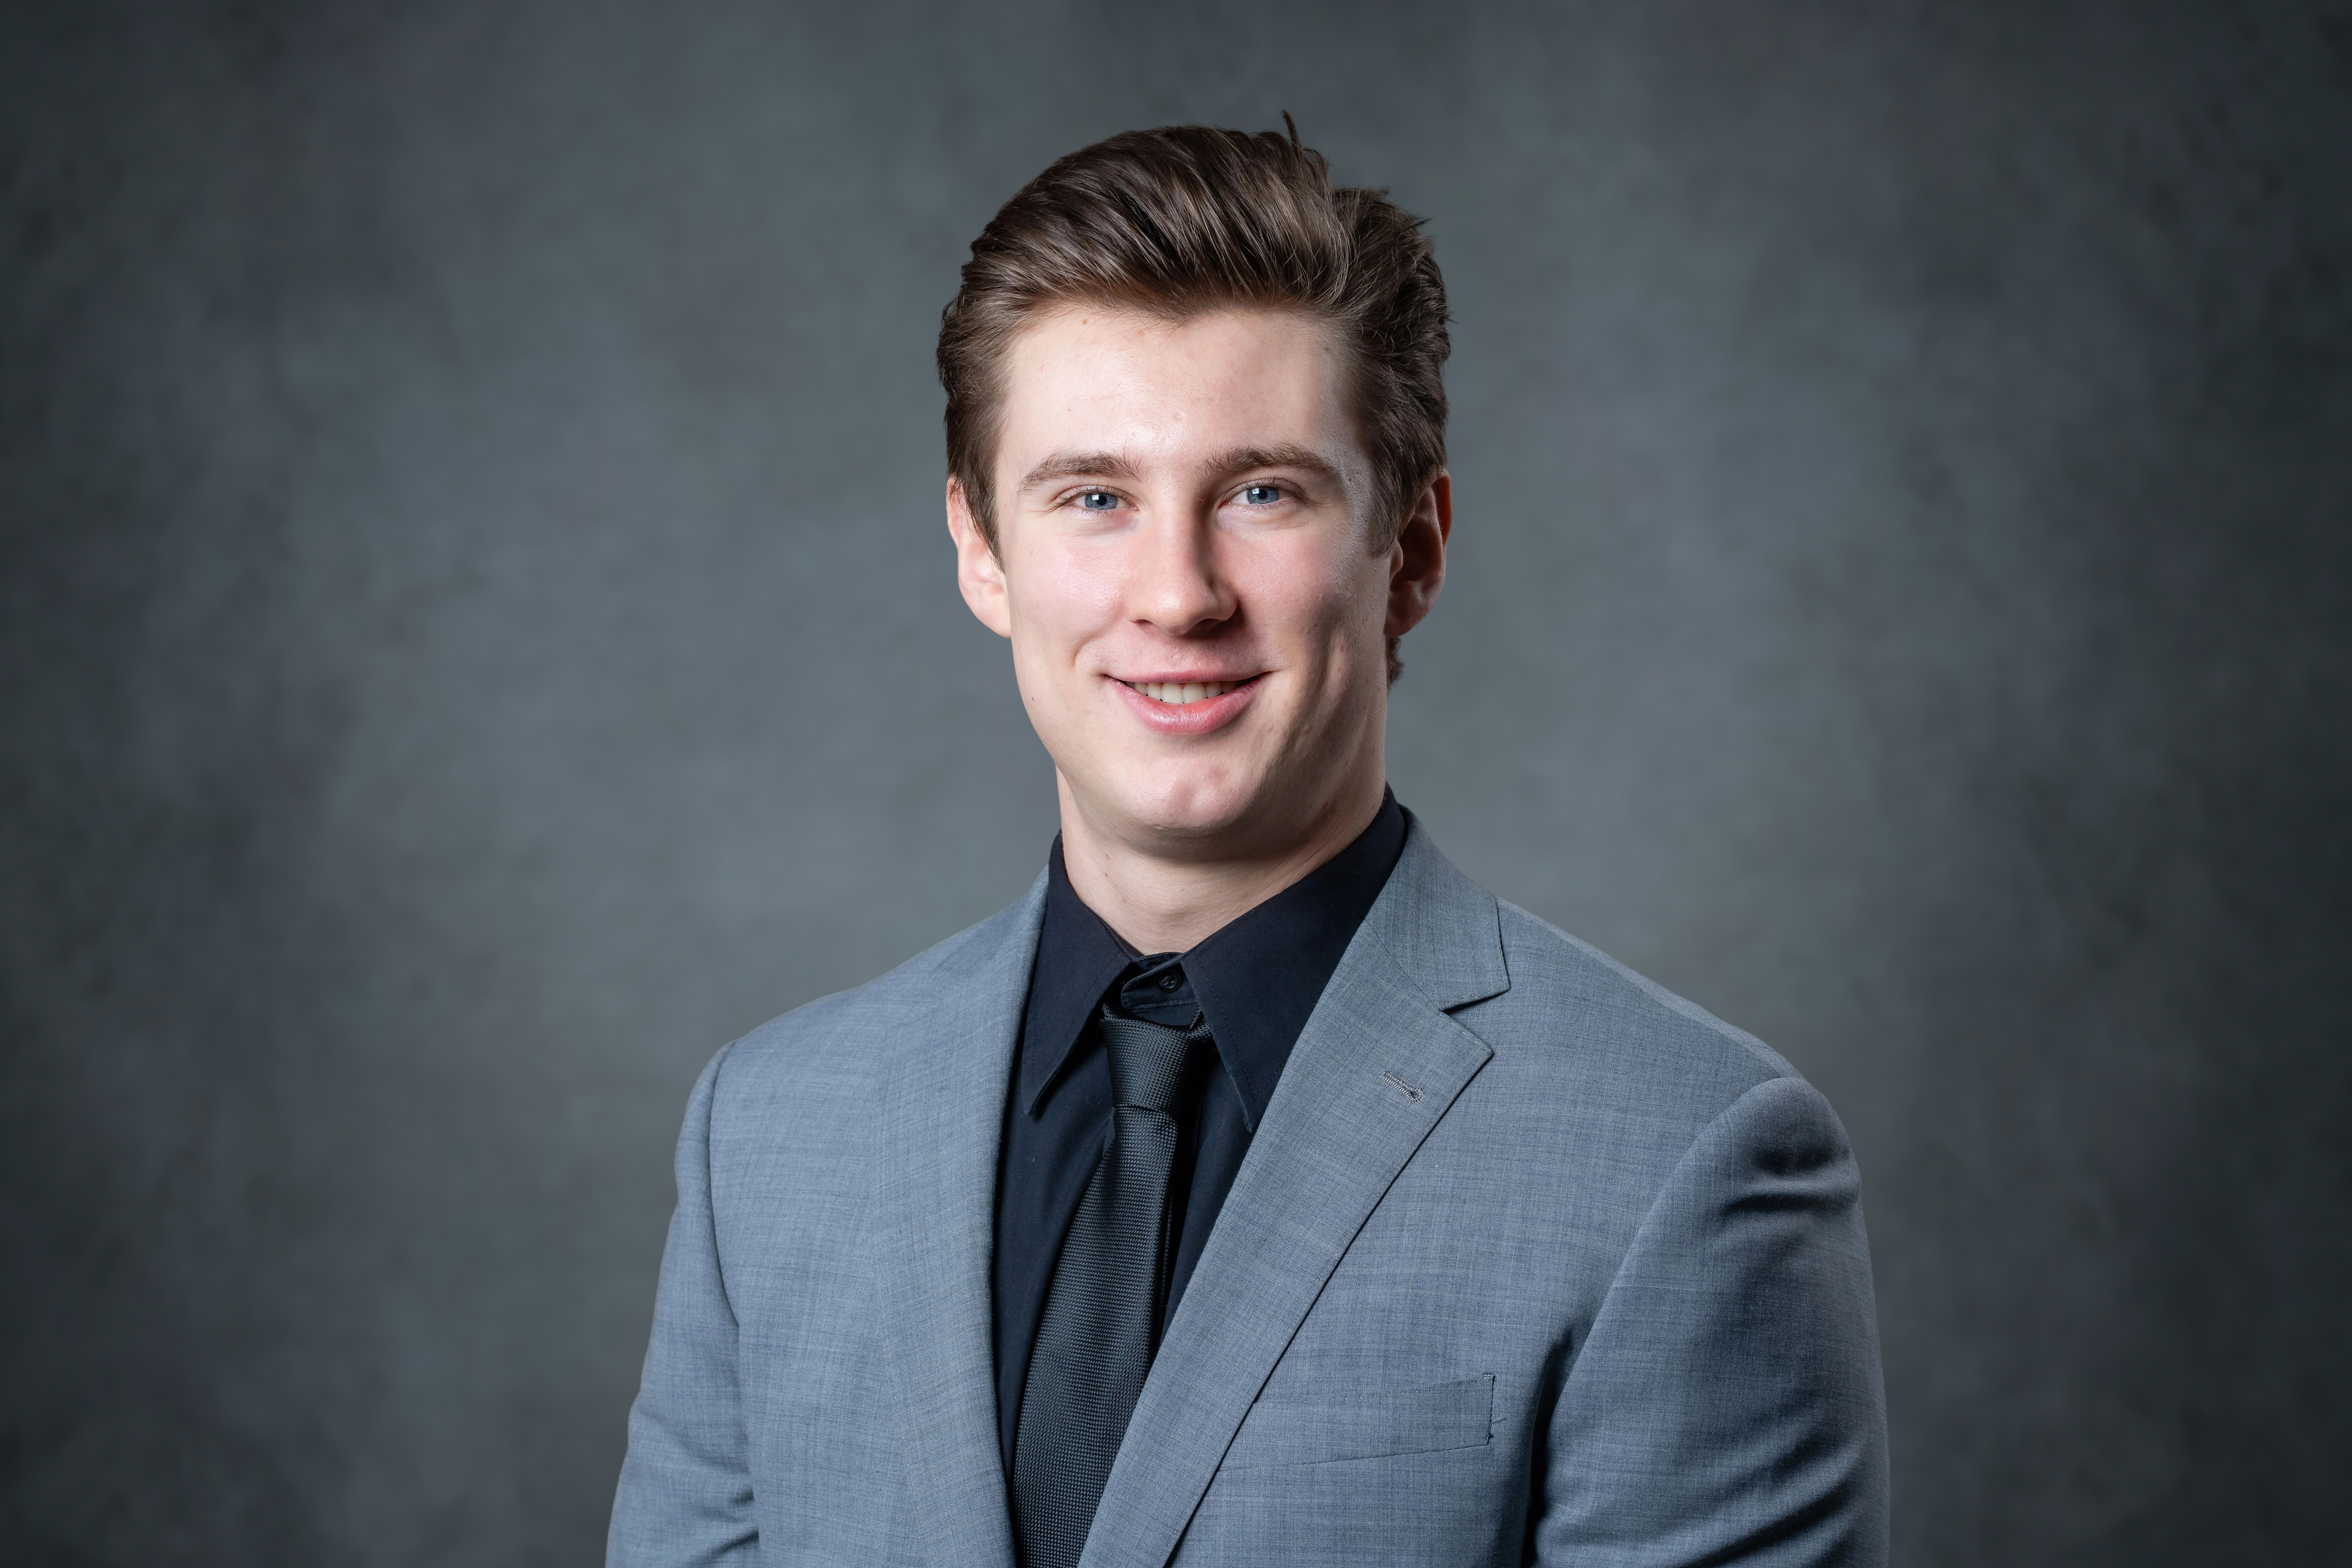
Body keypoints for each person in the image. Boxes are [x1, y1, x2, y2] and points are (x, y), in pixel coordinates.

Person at [608, 123, 1888, 1568]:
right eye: (1093, 496)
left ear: (1410, 549)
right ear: (981, 549)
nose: (1176, 592)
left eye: (1262, 491)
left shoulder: (1685, 1157)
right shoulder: (769, 1133)